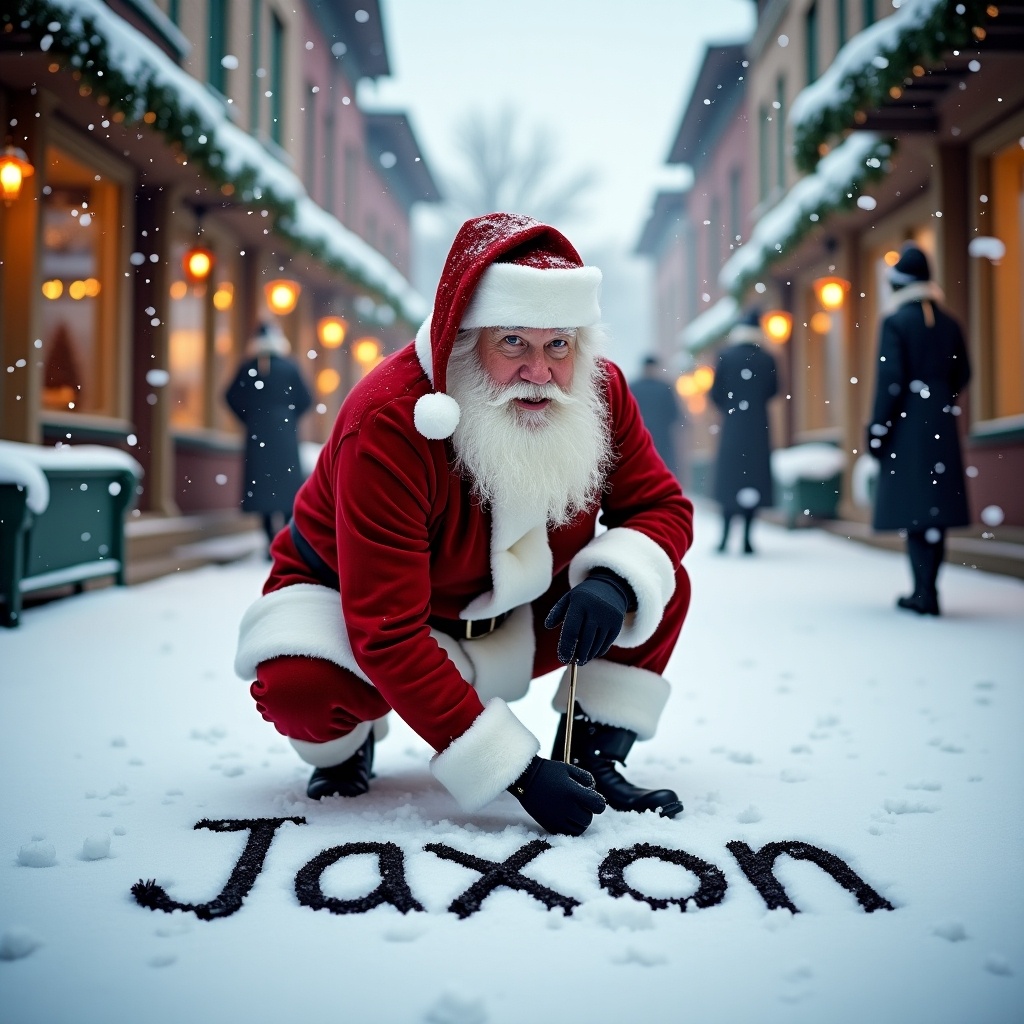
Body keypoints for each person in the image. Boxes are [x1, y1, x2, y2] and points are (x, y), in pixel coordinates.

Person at [233, 213, 693, 837]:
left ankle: (591, 754)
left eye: (558, 344)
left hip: (520, 611)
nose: (540, 371)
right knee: (300, 685)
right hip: (359, 605)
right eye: (513, 343)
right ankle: (345, 751)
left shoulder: (600, 390)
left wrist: (613, 583)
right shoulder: (390, 421)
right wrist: (518, 774)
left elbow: (661, 507)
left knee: (653, 582)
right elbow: (388, 630)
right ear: (465, 340)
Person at [866, 242, 971, 616]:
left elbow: (889, 379)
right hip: (940, 420)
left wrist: (878, 428)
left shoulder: (895, 322)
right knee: (934, 511)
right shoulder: (950, 322)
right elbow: (964, 372)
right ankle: (930, 589)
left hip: (908, 424)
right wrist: (939, 397)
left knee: (916, 510)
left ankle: (922, 592)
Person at [224, 321, 313, 553]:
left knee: (262, 486)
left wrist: (250, 418)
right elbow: (306, 398)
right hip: (284, 434)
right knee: (284, 489)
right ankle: (283, 539)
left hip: (258, 433)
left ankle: (269, 540)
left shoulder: (248, 367)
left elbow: (230, 396)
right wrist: (288, 416)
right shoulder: (290, 367)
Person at [709, 308, 778, 554]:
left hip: (732, 427)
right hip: (759, 427)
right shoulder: (767, 358)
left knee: (731, 480)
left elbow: (715, 394)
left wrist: (731, 407)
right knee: (753, 479)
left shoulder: (725, 357)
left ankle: (725, 537)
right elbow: (774, 390)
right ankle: (748, 539)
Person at [629, 355, 686, 481]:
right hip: (662, 436)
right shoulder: (664, 387)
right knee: (663, 466)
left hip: (640, 435)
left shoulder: (633, 387)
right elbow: (674, 413)